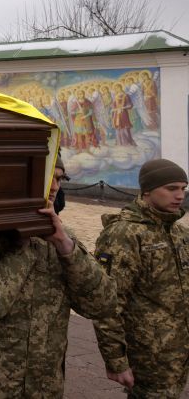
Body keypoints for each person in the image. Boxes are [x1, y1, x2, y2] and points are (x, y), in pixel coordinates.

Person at [0, 158, 117, 397]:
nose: (54, 186)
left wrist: (65, 246)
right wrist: (25, 239)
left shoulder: (62, 239)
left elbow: (102, 304)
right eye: (46, 177)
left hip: (44, 388)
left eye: (59, 178)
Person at [93, 158, 189, 398]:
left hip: (178, 351)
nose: (180, 196)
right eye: (171, 188)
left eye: (183, 189)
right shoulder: (124, 234)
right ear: (147, 190)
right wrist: (116, 359)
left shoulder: (178, 232)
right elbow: (108, 303)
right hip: (148, 355)